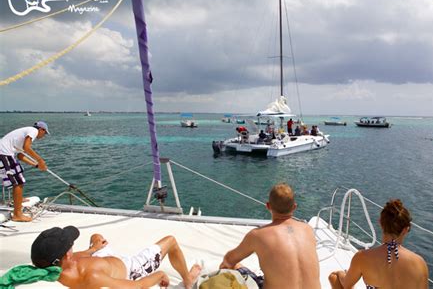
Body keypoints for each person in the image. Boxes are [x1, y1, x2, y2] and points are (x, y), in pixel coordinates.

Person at [220, 183, 321, 289]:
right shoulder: (308, 230)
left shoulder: (257, 235)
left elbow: (229, 260)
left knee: (236, 266)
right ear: (294, 206)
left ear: (268, 206)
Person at [31, 226, 201, 289]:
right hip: (131, 268)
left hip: (105, 258)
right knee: (170, 241)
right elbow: (137, 286)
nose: (72, 246)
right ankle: (187, 280)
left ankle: (98, 244)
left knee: (96, 236)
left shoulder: (58, 266)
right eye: (70, 244)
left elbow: (79, 255)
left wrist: (95, 248)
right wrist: (160, 275)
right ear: (66, 254)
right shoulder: (92, 277)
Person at [329, 199, 429, 289]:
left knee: (334, 277)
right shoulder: (420, 263)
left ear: (381, 223)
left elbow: (346, 285)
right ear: (406, 230)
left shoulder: (362, 257)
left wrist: (340, 273)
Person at [0, 121, 50, 222]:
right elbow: (26, 148)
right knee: (19, 182)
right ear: (41, 129)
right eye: (44, 133)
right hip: (4, 154)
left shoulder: (23, 135)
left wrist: (36, 165)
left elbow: (20, 156)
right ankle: (17, 214)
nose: (43, 136)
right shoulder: (33, 131)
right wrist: (40, 160)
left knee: (19, 178)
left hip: (5, 154)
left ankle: (18, 199)